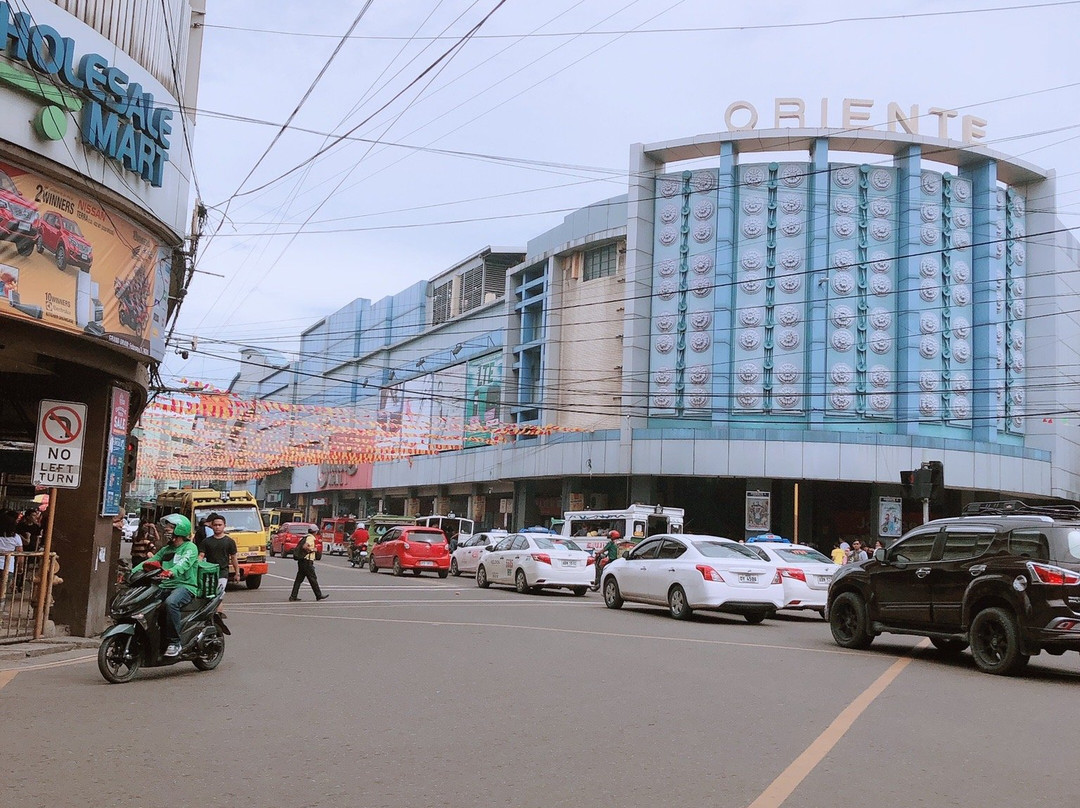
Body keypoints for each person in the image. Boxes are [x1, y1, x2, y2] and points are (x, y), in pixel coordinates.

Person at [132, 514, 200, 657]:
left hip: (185, 586)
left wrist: (171, 572)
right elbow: (148, 563)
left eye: (170, 527)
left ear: (180, 529)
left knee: (170, 603)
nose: (166, 530)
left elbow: (184, 563)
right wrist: (131, 573)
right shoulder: (166, 549)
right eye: (167, 527)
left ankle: (175, 643)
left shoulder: (190, 548)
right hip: (164, 585)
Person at [197, 512, 239, 616]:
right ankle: (212, 613)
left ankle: (218, 613)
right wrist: (197, 566)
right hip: (208, 572)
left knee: (219, 593)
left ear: (224, 526)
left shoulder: (229, 541)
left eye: (220, 525)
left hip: (222, 572)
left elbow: (233, 558)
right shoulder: (206, 542)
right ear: (211, 526)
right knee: (209, 594)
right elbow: (201, 556)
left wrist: (237, 573)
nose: (217, 527)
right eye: (215, 525)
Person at [290, 527, 328, 602]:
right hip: (307, 561)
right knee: (313, 578)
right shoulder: (310, 538)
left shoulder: (305, 537)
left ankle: (293, 596)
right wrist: (313, 550)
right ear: (315, 532)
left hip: (302, 561)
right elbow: (305, 546)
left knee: (299, 580)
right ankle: (318, 595)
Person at [0, 510, 23, 603]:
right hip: (8, 568)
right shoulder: (16, 538)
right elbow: (20, 555)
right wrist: (20, 568)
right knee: (2, 592)